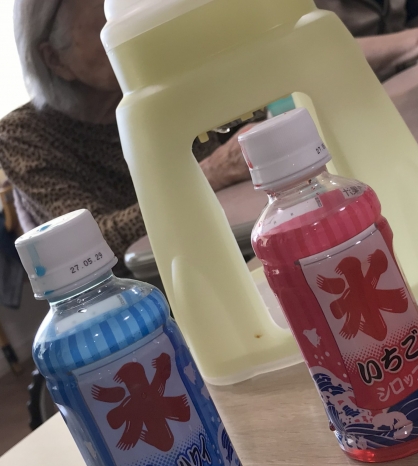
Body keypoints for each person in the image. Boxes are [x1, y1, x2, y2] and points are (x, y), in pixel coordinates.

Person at [0, 0, 253, 273]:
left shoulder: (165, 81)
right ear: (55, 59)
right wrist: (209, 174)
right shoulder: (22, 135)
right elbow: (92, 245)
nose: (131, 33)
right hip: (146, 287)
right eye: (106, 26)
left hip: (241, 243)